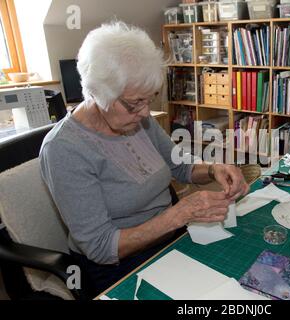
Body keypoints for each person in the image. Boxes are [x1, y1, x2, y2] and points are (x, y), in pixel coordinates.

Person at [39, 21, 250, 298]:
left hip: (170, 239)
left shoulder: (136, 119)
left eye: (149, 100)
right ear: (99, 93)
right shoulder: (65, 149)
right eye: (135, 103)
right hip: (117, 265)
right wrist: (179, 215)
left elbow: (180, 166)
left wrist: (213, 168)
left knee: (236, 274)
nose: (145, 112)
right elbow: (101, 247)